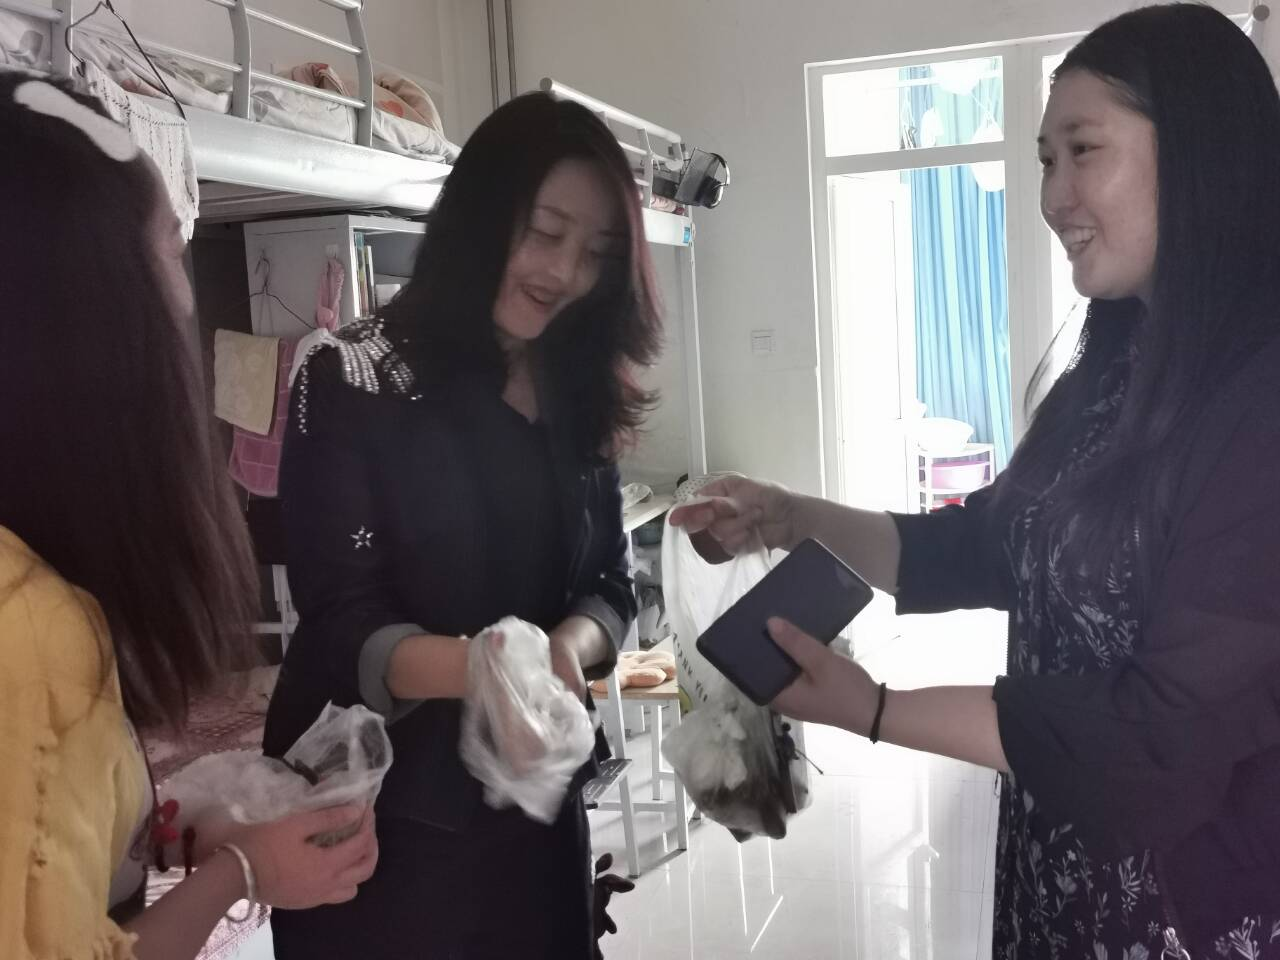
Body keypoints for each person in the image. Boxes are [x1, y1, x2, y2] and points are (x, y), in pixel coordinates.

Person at [672, 6, 1280, 957]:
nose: (1053, 196)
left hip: (1182, 903)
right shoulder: (1113, 369)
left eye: (1084, 150)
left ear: (1202, 151)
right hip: (1057, 858)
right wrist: (787, 516)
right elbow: (987, 544)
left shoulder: (1257, 399)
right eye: (1045, 159)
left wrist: (875, 709)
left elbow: (1164, 735)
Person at [262, 90, 661, 959]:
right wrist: (485, 670)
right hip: (384, 822)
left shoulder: (576, 388)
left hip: (535, 804)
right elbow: (340, 615)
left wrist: (562, 651)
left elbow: (611, 581)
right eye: (545, 232)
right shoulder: (353, 375)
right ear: (482, 214)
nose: (565, 272)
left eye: (596, 252)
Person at [0, 74, 378, 960]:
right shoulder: (33, 632)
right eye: (173, 247)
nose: (184, 297)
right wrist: (240, 872)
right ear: (96, 311)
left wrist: (158, 828)